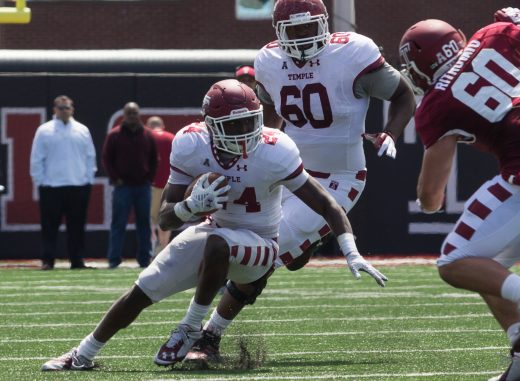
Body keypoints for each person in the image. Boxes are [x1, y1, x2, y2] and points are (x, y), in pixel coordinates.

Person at [41, 79, 386, 372]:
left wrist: (350, 251)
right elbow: (165, 217)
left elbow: (325, 202)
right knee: (143, 288)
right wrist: (191, 206)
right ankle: (82, 354)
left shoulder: (275, 148)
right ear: (209, 124)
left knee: (218, 243)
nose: (242, 132)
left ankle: (191, 327)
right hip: (214, 232)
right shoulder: (191, 143)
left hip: (261, 245)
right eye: (231, 125)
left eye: (249, 122)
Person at [174, 0, 414, 367]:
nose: (303, 37)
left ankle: (208, 336)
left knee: (264, 253)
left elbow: (402, 93)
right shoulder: (269, 60)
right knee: (273, 248)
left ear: (324, 24)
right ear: (279, 32)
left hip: (338, 177)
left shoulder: (352, 53)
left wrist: (391, 132)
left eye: (309, 27)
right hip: (287, 169)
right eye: (295, 29)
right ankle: (308, 241)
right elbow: (267, 119)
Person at [399, 8, 520, 381]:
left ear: (419, 68)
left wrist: (424, 198)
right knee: (484, 268)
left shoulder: (437, 104)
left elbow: (433, 197)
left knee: (453, 262)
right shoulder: (495, 35)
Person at [30, 95, 97, 270]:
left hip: (78, 186)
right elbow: (36, 159)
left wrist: (88, 180)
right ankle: (48, 260)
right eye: (61, 108)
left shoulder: (82, 130)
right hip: (51, 187)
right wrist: (41, 182)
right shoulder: (44, 130)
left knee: (77, 227)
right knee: (49, 226)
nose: (64, 111)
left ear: (72, 109)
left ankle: (77, 260)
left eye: (67, 107)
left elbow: (90, 157)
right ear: (55, 110)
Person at [102, 102, 158, 268]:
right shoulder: (114, 135)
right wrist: (115, 178)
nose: (132, 116)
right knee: (118, 223)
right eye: (129, 113)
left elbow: (155, 159)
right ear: (124, 115)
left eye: (135, 113)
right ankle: (114, 259)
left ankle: (144, 258)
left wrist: (149, 178)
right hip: (123, 187)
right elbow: (106, 159)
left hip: (143, 186)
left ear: (139, 114)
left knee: (144, 225)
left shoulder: (148, 135)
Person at [148, 116, 175, 255]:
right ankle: (164, 247)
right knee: (166, 217)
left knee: (151, 219)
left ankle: (154, 248)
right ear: (162, 126)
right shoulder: (172, 137)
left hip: (151, 184)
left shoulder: (147, 137)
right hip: (170, 183)